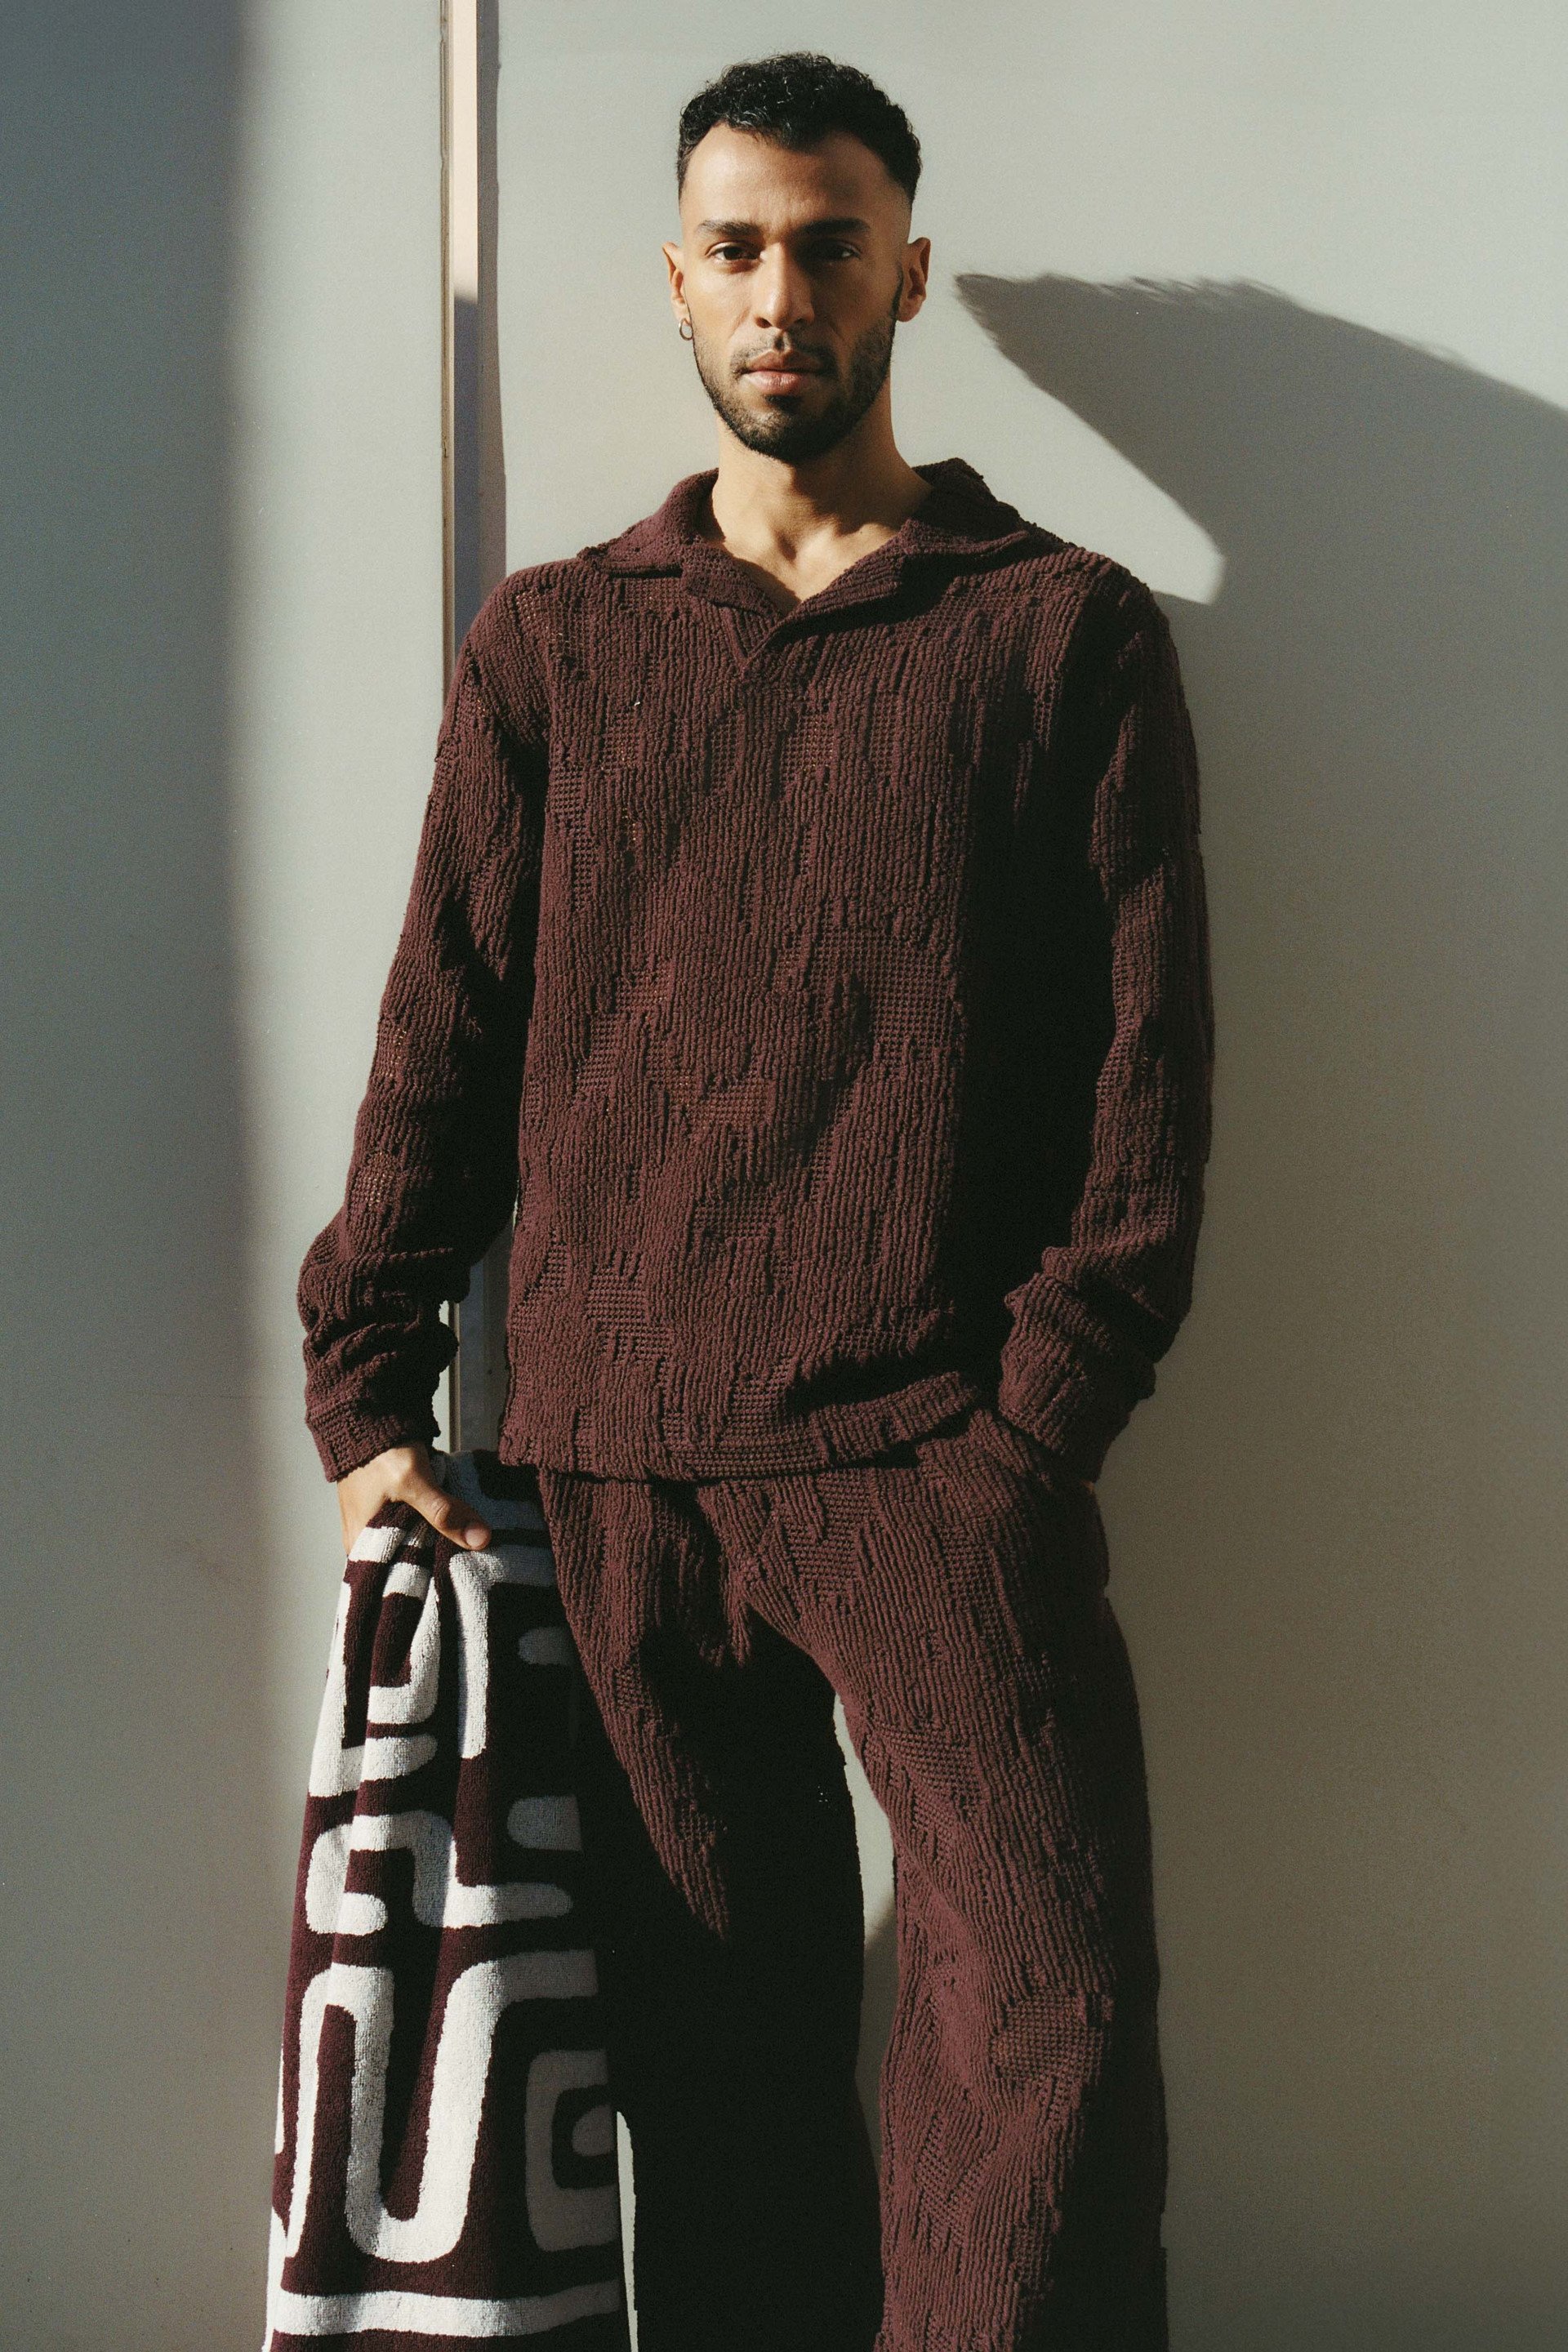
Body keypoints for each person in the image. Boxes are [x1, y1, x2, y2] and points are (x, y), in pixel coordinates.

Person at [298, 48, 1214, 2352]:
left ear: (908, 266)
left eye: (826, 244)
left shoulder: (1062, 632)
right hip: (619, 1471)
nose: (781, 293)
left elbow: (1146, 1084)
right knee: (720, 2080)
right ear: (676, 285)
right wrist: (367, 1380)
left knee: (1051, 2023)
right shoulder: (559, 644)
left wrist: (1025, 1438)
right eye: (736, 250)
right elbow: (448, 1031)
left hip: (935, 1465)